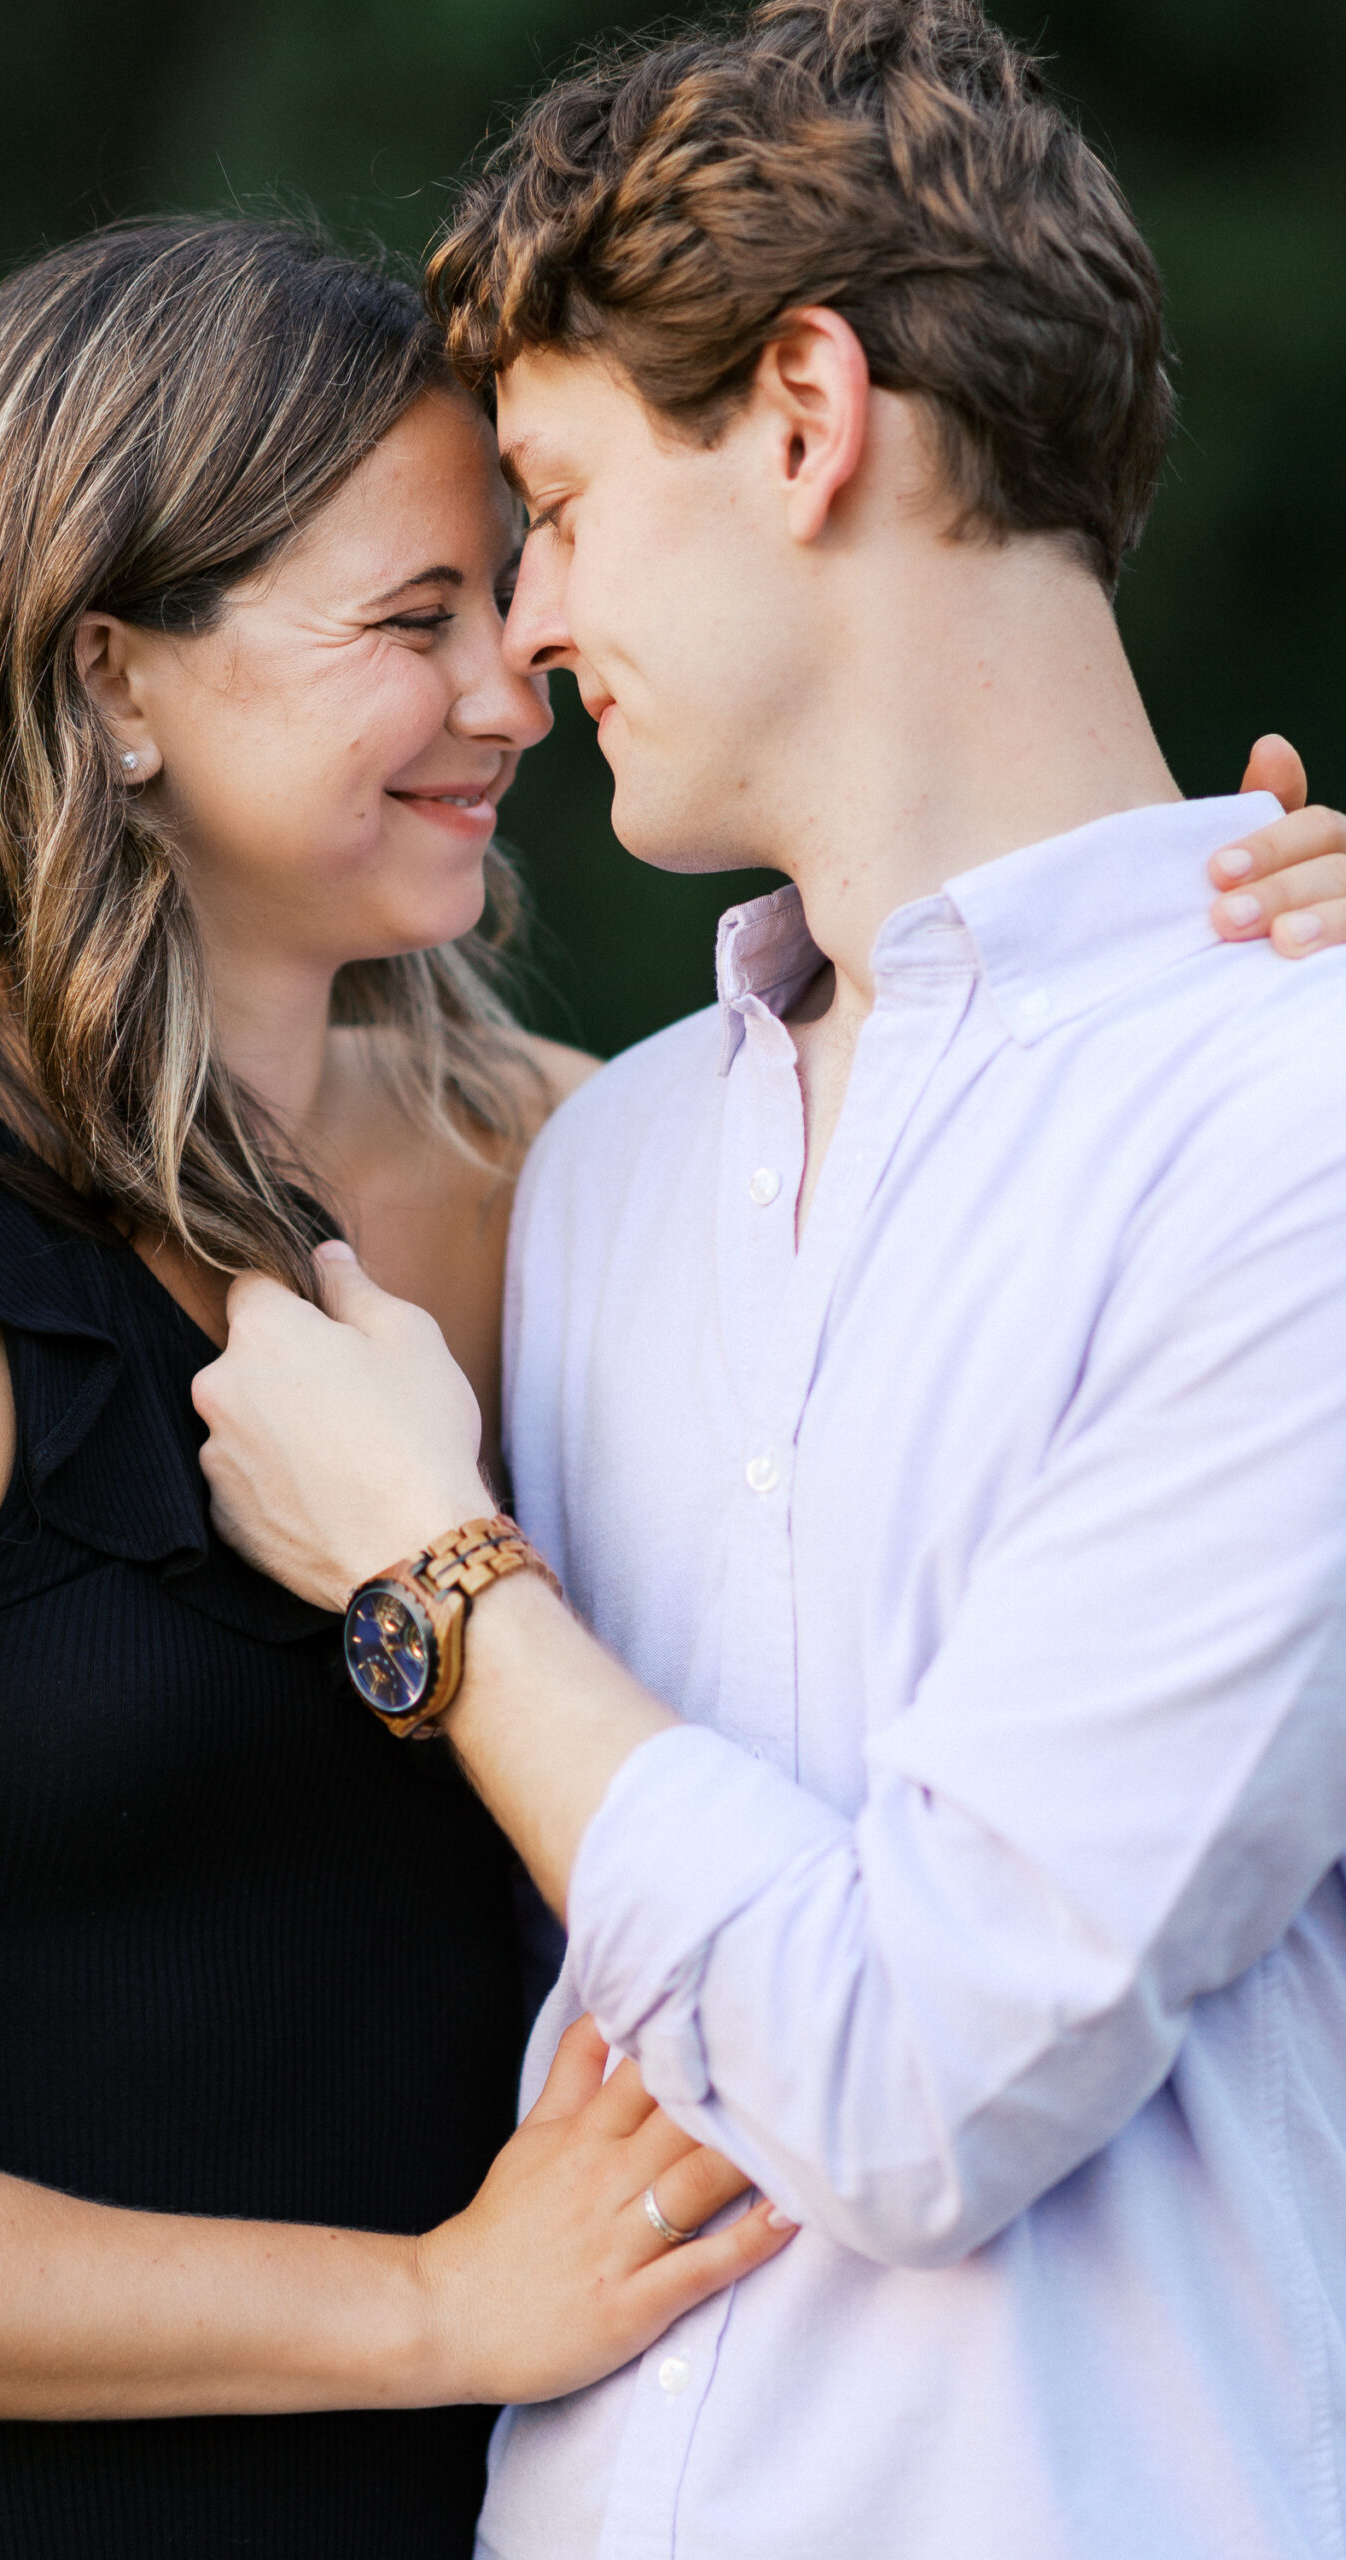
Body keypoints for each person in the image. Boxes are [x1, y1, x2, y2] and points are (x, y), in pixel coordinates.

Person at [186, 8, 1346, 2557]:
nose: (530, 630)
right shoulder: (593, 1167)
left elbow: (920, 2083)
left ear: (804, 413)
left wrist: (442, 1574)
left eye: (565, 501)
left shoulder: (1299, 1123)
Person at [0, 217, 795, 2560]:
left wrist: (1249, 948)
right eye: (412, 621)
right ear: (111, 679)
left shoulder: (570, 1163)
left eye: (508, 588)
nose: (511, 686)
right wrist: (434, 2304)